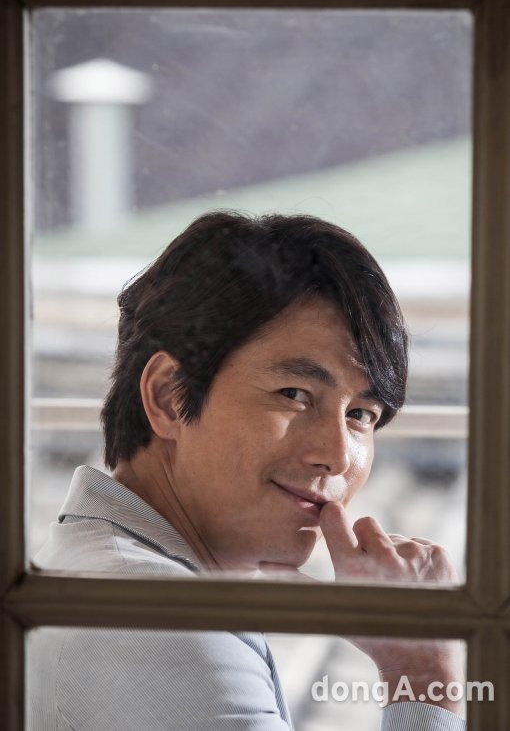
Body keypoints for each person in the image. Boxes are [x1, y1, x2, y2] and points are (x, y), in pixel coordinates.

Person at [30, 211, 466, 730]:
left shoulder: (111, 571)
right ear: (168, 396)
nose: (338, 455)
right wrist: (422, 674)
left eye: (361, 415)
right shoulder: (160, 623)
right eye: (294, 394)